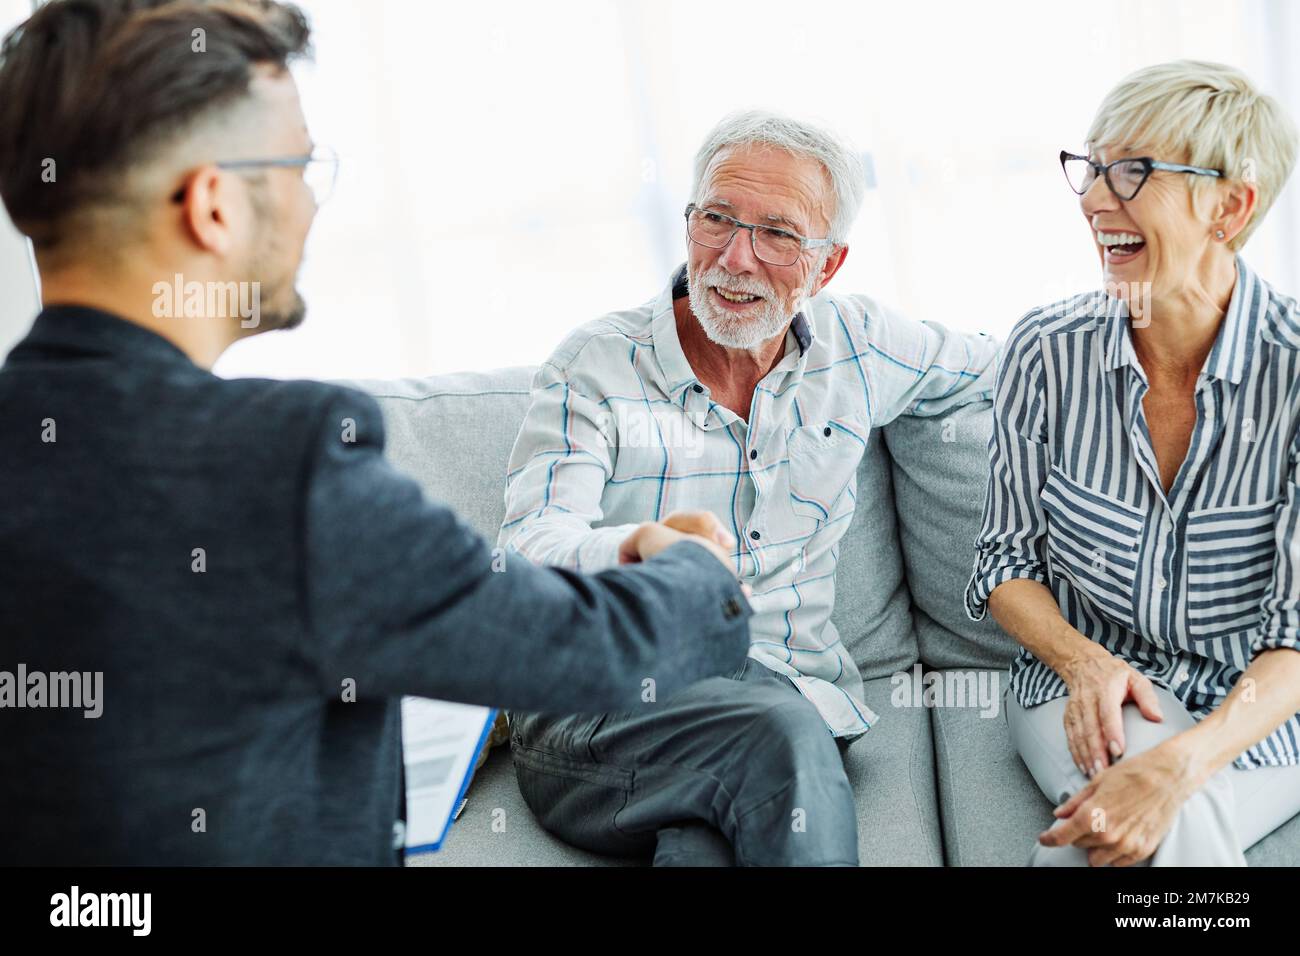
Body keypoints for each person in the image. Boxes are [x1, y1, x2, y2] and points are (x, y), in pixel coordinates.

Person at [0, 0, 752, 866]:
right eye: (298, 167)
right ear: (214, 207)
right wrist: (696, 570)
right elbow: (575, 648)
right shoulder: (282, 465)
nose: (312, 207)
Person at [500, 110, 999, 866]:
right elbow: (528, 548)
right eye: (718, 220)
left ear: (827, 266)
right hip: (601, 707)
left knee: (711, 838)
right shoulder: (597, 365)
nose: (736, 257)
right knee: (781, 733)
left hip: (776, 698)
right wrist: (635, 546)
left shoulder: (859, 348)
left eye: (778, 233)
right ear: (689, 222)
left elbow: (1008, 364)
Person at [967, 60, 1300, 866]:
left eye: (1131, 172)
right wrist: (1088, 665)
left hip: (1257, 712)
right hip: (1079, 692)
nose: (1090, 200)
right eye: (1089, 168)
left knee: (1112, 838)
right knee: (1139, 831)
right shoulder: (1047, 351)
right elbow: (1003, 563)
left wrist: (1180, 763)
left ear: (1231, 205)